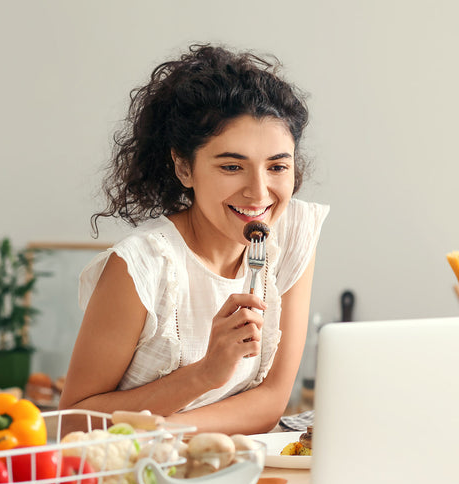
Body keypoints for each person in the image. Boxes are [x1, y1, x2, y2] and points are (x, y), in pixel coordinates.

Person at [58, 44, 329, 434]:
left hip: (225, 470)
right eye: (232, 166)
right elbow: (73, 424)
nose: (259, 192)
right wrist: (204, 374)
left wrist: (171, 432)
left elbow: (272, 400)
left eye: (277, 166)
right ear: (184, 168)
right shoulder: (140, 267)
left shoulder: (292, 234)